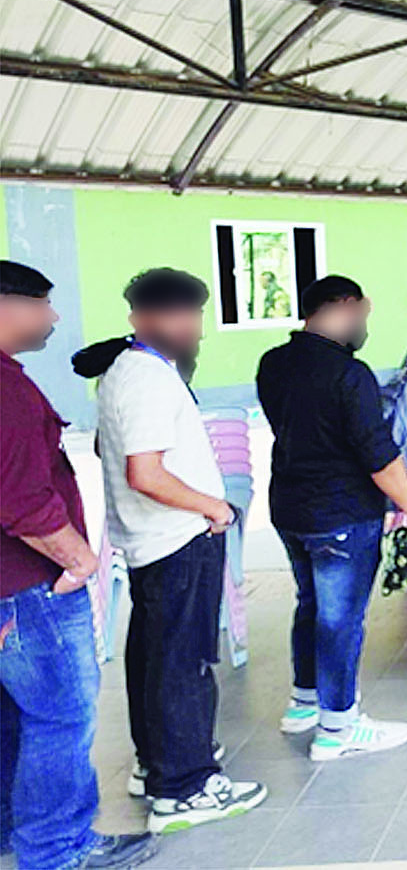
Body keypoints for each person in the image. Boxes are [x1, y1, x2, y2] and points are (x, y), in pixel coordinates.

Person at [74, 268, 267, 831]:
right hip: (175, 541)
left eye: (196, 316)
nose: (196, 330)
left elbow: (120, 454)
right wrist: (214, 508)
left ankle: (158, 763)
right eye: (189, 318)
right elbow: (145, 473)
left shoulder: (128, 370)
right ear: (148, 319)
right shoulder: (147, 379)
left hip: (156, 542)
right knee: (183, 666)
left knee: (156, 659)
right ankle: (184, 788)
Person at [1, 260, 157, 870]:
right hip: (30, 588)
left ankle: (17, 831)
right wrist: (79, 560)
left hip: (11, 589)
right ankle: (57, 849)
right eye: (43, 302)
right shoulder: (7, 391)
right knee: (60, 717)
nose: (54, 316)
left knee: (18, 715)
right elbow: (21, 499)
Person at [256, 274, 407, 760]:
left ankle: (304, 703)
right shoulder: (349, 374)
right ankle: (338, 727)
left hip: (290, 507)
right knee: (340, 619)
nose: (364, 326)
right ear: (343, 306)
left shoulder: (273, 363)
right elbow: (378, 455)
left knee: (311, 605)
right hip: (341, 513)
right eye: (362, 315)